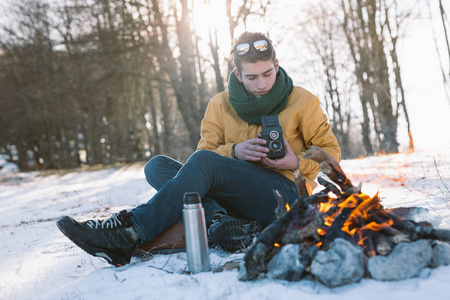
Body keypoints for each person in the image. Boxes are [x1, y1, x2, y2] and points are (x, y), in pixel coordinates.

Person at [56, 31, 341, 267]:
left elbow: (332, 157)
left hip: (282, 196)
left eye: (267, 73)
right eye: (252, 77)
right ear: (237, 75)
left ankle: (130, 231)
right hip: (232, 198)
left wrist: (296, 163)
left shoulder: (303, 101)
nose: (262, 83)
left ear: (276, 65)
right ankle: (222, 224)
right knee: (157, 166)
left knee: (202, 165)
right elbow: (203, 154)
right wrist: (234, 152)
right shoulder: (219, 104)